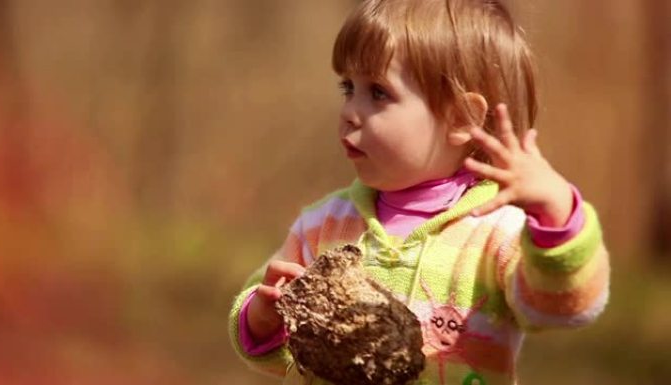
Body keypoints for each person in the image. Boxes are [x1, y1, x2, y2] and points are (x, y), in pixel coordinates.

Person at [228, 0, 610, 384]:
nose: (349, 111)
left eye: (378, 92)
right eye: (348, 87)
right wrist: (261, 320)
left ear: (460, 117)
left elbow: (561, 308)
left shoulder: (497, 230)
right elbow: (273, 348)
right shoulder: (323, 225)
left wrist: (558, 218)